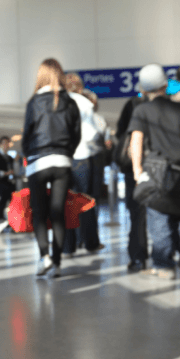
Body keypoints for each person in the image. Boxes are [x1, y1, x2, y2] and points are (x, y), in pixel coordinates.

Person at [128, 64, 180, 279]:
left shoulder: (141, 110)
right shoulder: (179, 108)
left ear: (143, 88)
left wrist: (137, 170)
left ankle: (164, 266)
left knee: (159, 219)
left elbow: (137, 141)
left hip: (155, 174)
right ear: (165, 85)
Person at [23, 58, 81, 278]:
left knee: (39, 213)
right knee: (58, 213)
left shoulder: (34, 102)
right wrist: (67, 153)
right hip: (62, 162)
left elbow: (27, 134)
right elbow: (76, 134)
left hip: (38, 161)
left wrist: (28, 155)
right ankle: (56, 263)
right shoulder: (70, 102)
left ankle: (44, 257)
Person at [62, 73, 105, 256]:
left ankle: (67, 246)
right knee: (84, 202)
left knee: (65, 202)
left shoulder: (57, 102)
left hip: (61, 159)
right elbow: (90, 134)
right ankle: (90, 243)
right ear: (79, 86)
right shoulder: (83, 103)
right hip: (80, 157)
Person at [115, 93, 150, 271]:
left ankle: (138, 257)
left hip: (133, 167)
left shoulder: (132, 104)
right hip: (158, 163)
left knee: (137, 214)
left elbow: (121, 131)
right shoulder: (166, 105)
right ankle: (167, 254)